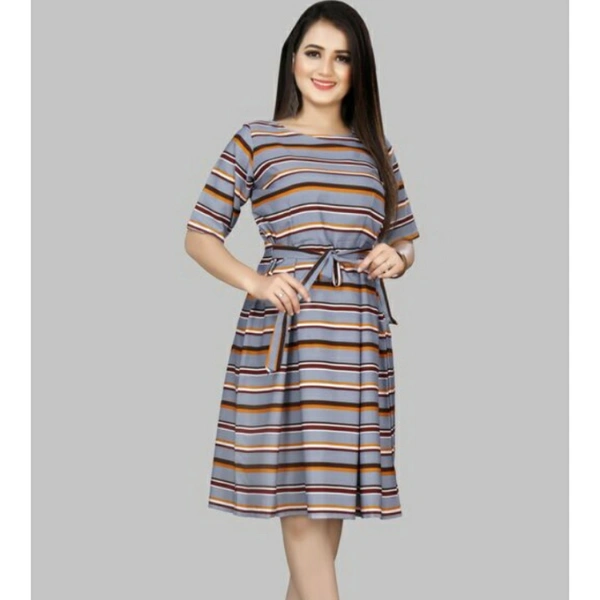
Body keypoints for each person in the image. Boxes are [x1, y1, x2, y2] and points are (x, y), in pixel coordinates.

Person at [184, 1, 420, 598]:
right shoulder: (255, 140)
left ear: (359, 70)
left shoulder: (376, 148)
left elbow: (404, 239)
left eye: (342, 57)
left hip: (358, 344)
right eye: (314, 53)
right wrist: (256, 282)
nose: (326, 69)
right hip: (289, 342)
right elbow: (199, 234)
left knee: (324, 524)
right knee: (306, 522)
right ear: (292, 59)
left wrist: (398, 257)